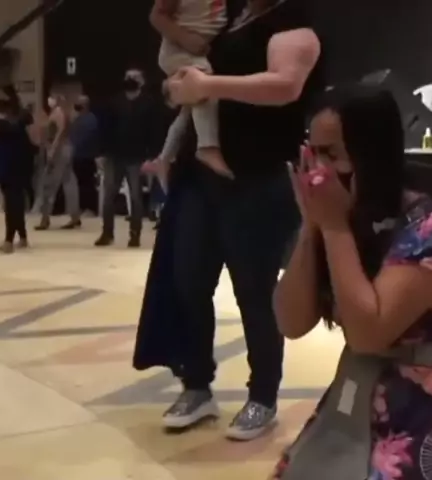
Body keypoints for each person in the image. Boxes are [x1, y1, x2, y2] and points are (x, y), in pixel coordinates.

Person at [271, 83, 432, 480]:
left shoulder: (429, 226)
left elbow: (369, 333)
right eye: (311, 154)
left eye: (331, 154)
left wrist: (333, 227)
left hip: (424, 398)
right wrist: (311, 226)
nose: (317, 171)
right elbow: (291, 321)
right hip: (358, 386)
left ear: (370, 154)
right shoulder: (342, 214)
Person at [152, 0, 323, 440]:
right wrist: (179, 89)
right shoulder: (230, 20)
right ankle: (196, 385)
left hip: (257, 176)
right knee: (188, 281)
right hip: (199, 177)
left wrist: (207, 85)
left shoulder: (291, 23)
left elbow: (285, 85)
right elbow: (185, 72)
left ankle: (263, 395)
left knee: (254, 291)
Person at [150, 0, 233, 179]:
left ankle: (164, 157)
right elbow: (157, 16)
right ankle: (207, 146)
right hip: (178, 51)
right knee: (204, 82)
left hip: (197, 52)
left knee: (189, 111)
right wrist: (186, 39)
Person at [95, 68, 156, 248]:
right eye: (128, 76)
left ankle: (135, 234)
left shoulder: (148, 103)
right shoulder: (115, 101)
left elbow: (153, 131)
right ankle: (107, 233)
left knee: (136, 196)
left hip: (137, 156)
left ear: (142, 81)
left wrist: (151, 156)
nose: (131, 79)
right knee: (109, 196)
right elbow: (105, 128)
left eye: (134, 77)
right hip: (114, 155)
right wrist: (101, 152)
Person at [0, 98, 32, 253]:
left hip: (9, 168)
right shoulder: (17, 124)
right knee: (17, 203)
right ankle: (22, 237)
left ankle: (9, 240)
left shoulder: (1, 124)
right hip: (19, 167)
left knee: (12, 205)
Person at [36, 94, 81, 230]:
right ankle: (75, 216)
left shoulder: (58, 113)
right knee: (69, 182)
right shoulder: (64, 113)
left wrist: (52, 150)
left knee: (49, 184)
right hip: (66, 149)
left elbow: (59, 132)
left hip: (59, 151)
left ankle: (45, 218)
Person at [69, 95, 100, 215]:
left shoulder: (91, 119)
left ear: (85, 105)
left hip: (87, 156)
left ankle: (90, 208)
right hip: (76, 155)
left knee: (88, 183)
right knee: (79, 184)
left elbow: (90, 138)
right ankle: (81, 207)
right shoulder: (77, 119)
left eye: (79, 103)